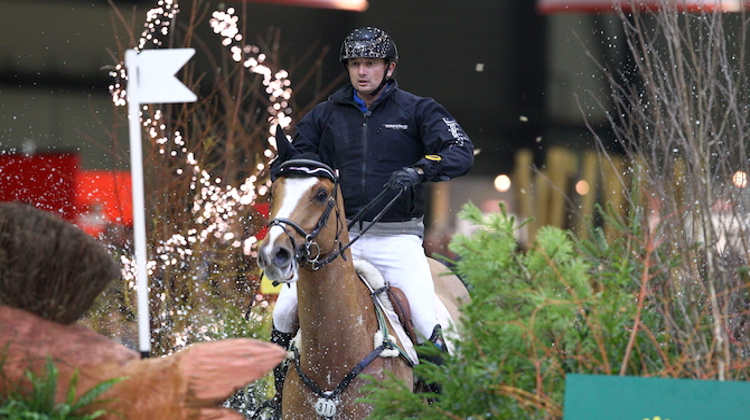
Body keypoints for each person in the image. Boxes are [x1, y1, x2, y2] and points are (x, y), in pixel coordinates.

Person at [269, 26, 474, 397]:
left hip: (396, 241)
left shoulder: (418, 110)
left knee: (427, 324)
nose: (362, 72)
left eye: (371, 64)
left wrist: (420, 170)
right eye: (355, 64)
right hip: (336, 242)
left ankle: (434, 402)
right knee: (282, 314)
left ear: (389, 67)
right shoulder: (324, 115)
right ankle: (278, 398)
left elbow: (460, 149)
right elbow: (294, 164)